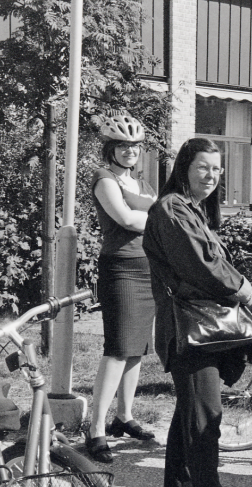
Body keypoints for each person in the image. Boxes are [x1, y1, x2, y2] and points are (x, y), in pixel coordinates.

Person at [143, 138, 252, 487]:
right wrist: (245, 290)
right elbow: (203, 265)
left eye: (217, 169)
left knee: (188, 418)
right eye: (203, 168)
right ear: (183, 168)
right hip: (190, 333)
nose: (211, 177)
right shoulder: (172, 209)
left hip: (196, 331)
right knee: (204, 425)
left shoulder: (190, 209)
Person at [86, 115, 158, 464]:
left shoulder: (143, 185)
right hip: (121, 268)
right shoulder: (104, 178)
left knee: (136, 350)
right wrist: (159, 218)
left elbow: (154, 222)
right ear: (110, 149)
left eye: (135, 146)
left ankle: (124, 417)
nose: (130, 151)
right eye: (123, 146)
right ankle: (95, 429)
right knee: (117, 349)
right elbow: (126, 220)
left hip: (149, 271)